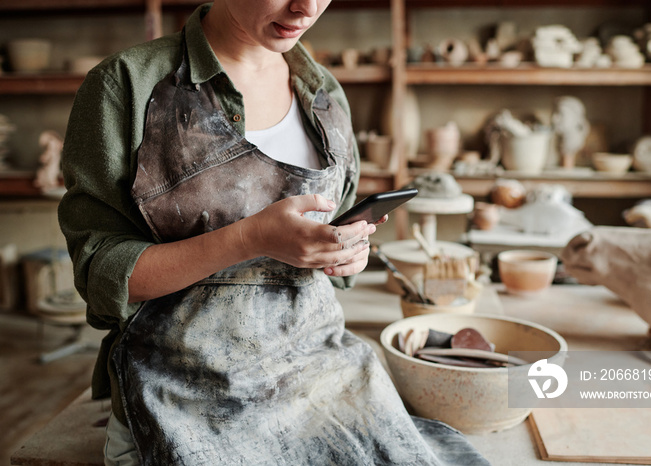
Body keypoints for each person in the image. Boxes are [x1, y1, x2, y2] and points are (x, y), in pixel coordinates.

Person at [58, 1, 489, 464]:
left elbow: (336, 234)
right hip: (184, 389)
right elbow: (101, 275)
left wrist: (349, 252)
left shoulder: (323, 92)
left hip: (317, 372)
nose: (306, 8)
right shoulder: (127, 86)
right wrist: (249, 238)